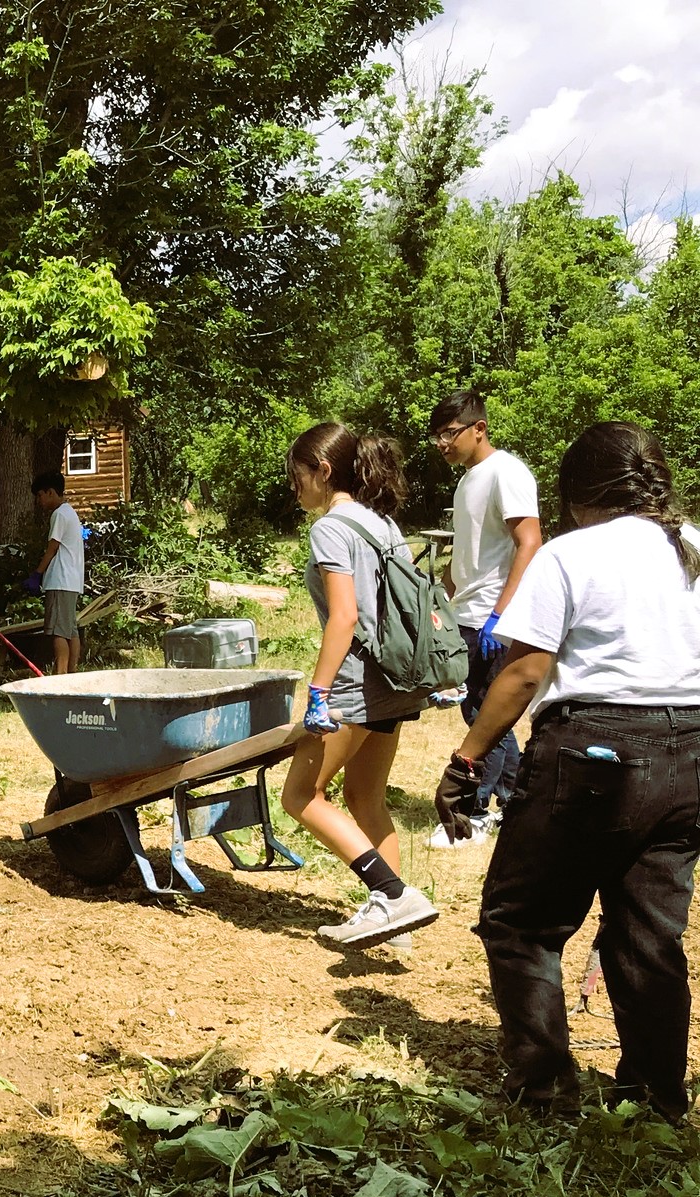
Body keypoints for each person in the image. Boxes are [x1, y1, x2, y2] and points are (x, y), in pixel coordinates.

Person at [435, 423, 700, 1115]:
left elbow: (525, 671)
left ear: (579, 491)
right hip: (689, 753)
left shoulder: (569, 553)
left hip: (592, 749)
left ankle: (544, 1089)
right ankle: (655, 1098)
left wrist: (466, 759)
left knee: (520, 922)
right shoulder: (694, 548)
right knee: (649, 932)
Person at [278, 423, 440, 948]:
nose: (294, 487)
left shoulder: (331, 527)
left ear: (322, 472)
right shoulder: (382, 522)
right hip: (398, 680)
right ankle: (395, 925)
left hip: (356, 683)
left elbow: (344, 617)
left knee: (302, 794)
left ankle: (391, 895)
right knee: (365, 795)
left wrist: (320, 691)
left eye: (297, 475)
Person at [429, 390, 542, 846]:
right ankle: (512, 803)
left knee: (485, 716)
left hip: (495, 618)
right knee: (480, 712)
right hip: (468, 615)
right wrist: (444, 603)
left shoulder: (506, 472)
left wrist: (502, 614)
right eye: (436, 436)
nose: (442, 443)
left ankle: (473, 813)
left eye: (449, 433)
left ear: (479, 428)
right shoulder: (467, 480)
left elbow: (529, 543)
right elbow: (468, 557)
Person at [23, 471, 85, 674]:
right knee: (71, 631)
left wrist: (37, 574)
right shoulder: (70, 513)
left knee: (58, 632)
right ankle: (73, 673)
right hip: (72, 580)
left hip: (60, 580)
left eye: (40, 495)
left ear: (50, 492)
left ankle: (60, 677)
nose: (39, 501)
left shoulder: (58, 514)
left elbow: (52, 548)